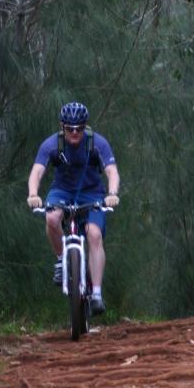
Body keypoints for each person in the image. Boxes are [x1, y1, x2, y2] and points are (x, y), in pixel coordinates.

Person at [26, 101, 120, 315]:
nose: (74, 133)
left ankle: (96, 293)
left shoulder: (97, 143)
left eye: (79, 128)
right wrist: (33, 194)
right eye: (70, 128)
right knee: (51, 219)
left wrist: (112, 194)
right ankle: (61, 260)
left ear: (85, 126)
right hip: (61, 191)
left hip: (92, 193)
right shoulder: (52, 144)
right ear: (62, 126)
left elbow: (112, 171)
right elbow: (37, 172)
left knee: (94, 235)